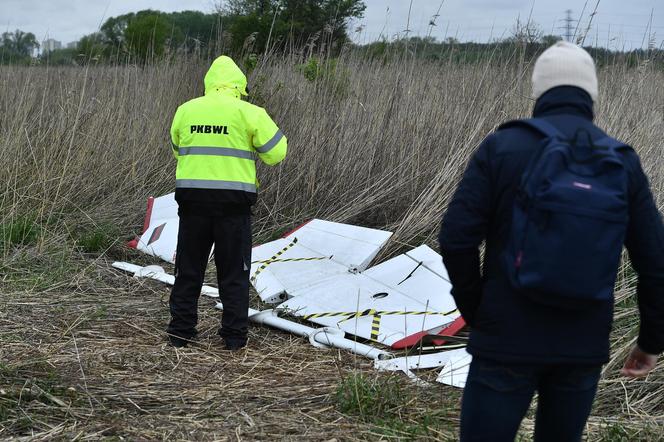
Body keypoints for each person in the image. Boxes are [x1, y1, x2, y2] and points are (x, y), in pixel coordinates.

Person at [439, 41, 664, 441]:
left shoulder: (502, 147)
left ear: (538, 91)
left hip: (504, 338)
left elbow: (456, 239)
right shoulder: (620, 160)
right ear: (591, 94)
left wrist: (479, 312)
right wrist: (651, 341)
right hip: (581, 346)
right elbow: (656, 260)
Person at [167, 55, 287, 350]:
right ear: (239, 85)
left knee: (188, 270)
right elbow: (277, 153)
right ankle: (234, 338)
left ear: (208, 83)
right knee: (234, 273)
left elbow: (177, 149)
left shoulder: (186, 110)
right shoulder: (250, 112)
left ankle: (180, 334)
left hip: (193, 204)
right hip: (233, 207)